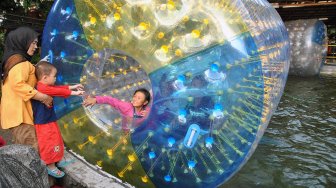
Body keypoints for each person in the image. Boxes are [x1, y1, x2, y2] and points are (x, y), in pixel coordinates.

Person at [0, 27, 53, 151]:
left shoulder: (16, 61)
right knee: (31, 148)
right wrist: (43, 97)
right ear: (22, 41)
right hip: (19, 114)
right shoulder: (21, 63)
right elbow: (18, 84)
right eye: (33, 42)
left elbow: (26, 75)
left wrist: (38, 66)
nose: (36, 46)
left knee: (23, 149)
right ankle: (34, 170)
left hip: (15, 113)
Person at [32, 61, 84, 178]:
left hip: (49, 119)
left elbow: (57, 88)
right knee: (48, 142)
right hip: (43, 122)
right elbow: (57, 91)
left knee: (55, 139)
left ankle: (57, 160)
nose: (55, 78)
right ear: (45, 77)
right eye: (54, 76)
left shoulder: (45, 86)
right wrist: (74, 92)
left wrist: (72, 87)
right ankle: (50, 166)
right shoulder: (41, 87)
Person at [82, 88, 151, 132]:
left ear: (145, 102)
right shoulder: (126, 106)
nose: (135, 99)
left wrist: (148, 114)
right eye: (134, 96)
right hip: (127, 129)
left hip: (141, 128)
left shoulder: (147, 110)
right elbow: (110, 100)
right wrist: (96, 99)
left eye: (139, 98)